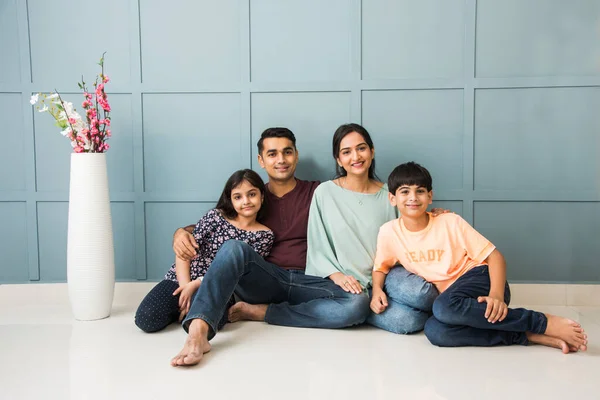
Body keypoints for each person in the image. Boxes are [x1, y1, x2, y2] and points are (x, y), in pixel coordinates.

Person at [170, 127, 371, 367]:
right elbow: (218, 222)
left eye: (287, 152)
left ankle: (261, 312)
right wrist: (181, 232)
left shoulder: (318, 191)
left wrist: (424, 217)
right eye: (273, 154)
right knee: (234, 248)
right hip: (265, 278)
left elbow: (358, 204)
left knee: (358, 303)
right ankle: (197, 334)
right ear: (261, 160)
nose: (281, 160)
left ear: (296, 155)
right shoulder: (252, 196)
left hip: (310, 279)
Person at [371, 161, 588, 353]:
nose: (412, 198)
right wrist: (377, 290)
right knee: (435, 331)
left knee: (442, 308)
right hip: (459, 303)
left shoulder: (449, 222)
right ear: (392, 198)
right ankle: (524, 335)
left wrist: (497, 296)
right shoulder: (389, 232)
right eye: (404, 192)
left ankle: (541, 322)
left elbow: (495, 257)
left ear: (430, 196)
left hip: (483, 280)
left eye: (420, 191)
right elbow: (381, 267)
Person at [305, 123, 440, 335]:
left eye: (361, 148)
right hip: (349, 283)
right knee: (407, 322)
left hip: (389, 276)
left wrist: (433, 217)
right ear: (339, 160)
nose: (356, 157)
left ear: (372, 151)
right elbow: (317, 246)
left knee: (425, 295)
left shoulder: (391, 194)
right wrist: (337, 275)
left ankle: (371, 305)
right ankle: (363, 308)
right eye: (346, 152)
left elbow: (409, 229)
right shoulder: (324, 193)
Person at [134, 169, 274, 333]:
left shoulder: (265, 235)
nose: (246, 201)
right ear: (230, 199)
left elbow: (241, 273)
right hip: (180, 279)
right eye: (238, 197)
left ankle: (185, 313)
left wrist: (196, 285)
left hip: (218, 287)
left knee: (213, 322)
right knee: (146, 319)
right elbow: (184, 252)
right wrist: (186, 287)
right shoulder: (215, 217)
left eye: (252, 194)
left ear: (262, 196)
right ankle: (178, 310)